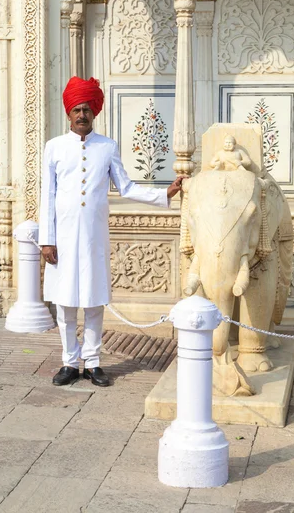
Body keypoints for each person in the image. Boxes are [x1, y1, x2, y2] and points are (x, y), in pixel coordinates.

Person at [39, 76, 183, 388]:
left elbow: (126, 187)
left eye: (87, 109)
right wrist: (46, 240)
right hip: (61, 239)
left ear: (95, 112)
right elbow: (46, 196)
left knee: (92, 301)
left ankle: (92, 363)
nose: (81, 115)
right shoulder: (54, 148)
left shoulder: (107, 147)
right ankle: (68, 362)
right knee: (65, 304)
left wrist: (164, 195)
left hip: (93, 239)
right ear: (68, 113)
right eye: (77, 109)